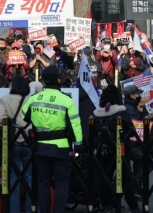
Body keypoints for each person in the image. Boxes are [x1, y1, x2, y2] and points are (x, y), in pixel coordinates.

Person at [21, 65, 83, 213]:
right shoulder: (66, 100)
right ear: (59, 80)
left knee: (43, 183)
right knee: (62, 183)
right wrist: (79, 146)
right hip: (61, 149)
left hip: (40, 147)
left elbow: (25, 117)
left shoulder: (34, 99)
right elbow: (75, 125)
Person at [92, 84, 141, 212]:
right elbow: (131, 131)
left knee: (105, 177)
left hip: (102, 149)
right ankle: (133, 205)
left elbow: (92, 134)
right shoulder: (120, 112)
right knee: (125, 178)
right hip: (120, 149)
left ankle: (107, 203)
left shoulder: (96, 114)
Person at [0, 76, 31, 213]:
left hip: (12, 144)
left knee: (13, 179)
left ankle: (14, 210)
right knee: (30, 179)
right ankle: (31, 209)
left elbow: (1, 121)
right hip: (29, 143)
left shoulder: (5, 100)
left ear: (12, 87)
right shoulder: (31, 100)